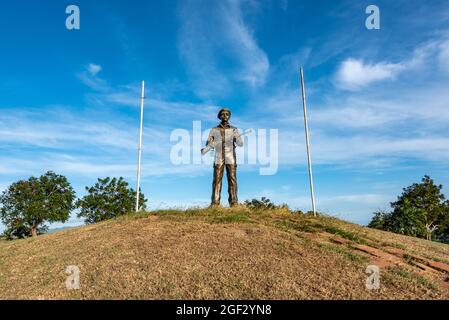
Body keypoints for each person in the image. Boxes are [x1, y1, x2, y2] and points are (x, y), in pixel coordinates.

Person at [202, 108, 243, 206]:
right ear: (219, 116)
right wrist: (216, 141)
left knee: (232, 178)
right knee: (217, 179)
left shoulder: (234, 129)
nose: (225, 116)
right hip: (219, 155)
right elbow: (208, 142)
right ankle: (215, 203)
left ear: (229, 116)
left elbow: (240, 143)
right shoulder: (214, 129)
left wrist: (234, 137)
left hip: (230, 155)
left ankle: (234, 202)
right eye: (223, 114)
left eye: (227, 114)